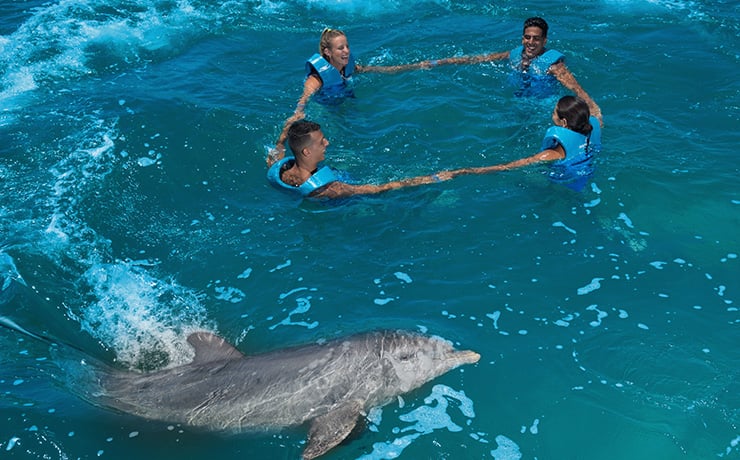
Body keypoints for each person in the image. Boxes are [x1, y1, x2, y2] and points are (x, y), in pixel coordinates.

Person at [270, 28, 429, 164]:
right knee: (337, 147)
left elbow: (384, 69)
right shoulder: (316, 79)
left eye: (347, 46)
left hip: (346, 104)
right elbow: (302, 102)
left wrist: (418, 66)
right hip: (327, 112)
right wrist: (281, 144)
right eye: (340, 48)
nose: (346, 51)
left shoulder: (348, 68)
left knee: (364, 132)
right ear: (328, 52)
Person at [422, 17, 603, 126]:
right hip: (516, 102)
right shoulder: (514, 55)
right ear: (522, 37)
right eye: (527, 37)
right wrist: (440, 62)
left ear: (545, 41)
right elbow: (479, 58)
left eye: (536, 39)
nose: (531, 42)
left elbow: (576, 89)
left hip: (542, 107)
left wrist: (594, 109)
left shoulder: (555, 66)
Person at [443, 95, 601, 191]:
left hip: (566, 187)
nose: (552, 114)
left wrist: (465, 171)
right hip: (587, 177)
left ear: (564, 122)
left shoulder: (552, 154)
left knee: (519, 182)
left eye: (554, 112)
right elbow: (596, 114)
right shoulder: (591, 127)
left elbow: (509, 166)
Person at [267, 120, 448, 199]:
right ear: (306, 152)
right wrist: (430, 179)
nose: (327, 143)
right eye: (322, 142)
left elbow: (276, 152)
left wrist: (284, 134)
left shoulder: (282, 170)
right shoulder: (328, 189)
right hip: (344, 204)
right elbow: (377, 189)